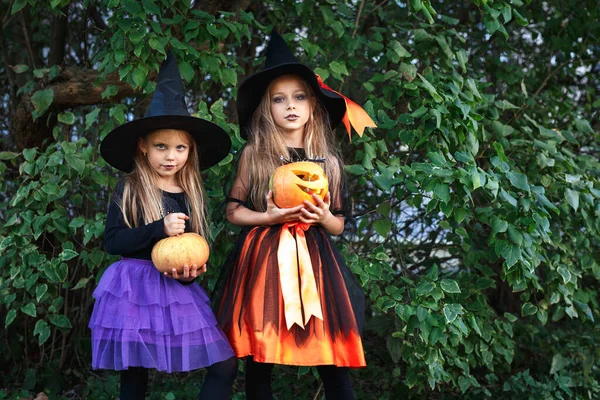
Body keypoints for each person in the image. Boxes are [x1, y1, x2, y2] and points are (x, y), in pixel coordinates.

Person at [214, 31, 376, 400]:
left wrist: (322, 217)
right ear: (266, 109)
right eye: (279, 99)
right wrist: (266, 217)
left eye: (299, 97)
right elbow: (232, 211)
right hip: (264, 260)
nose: (291, 105)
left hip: (316, 264)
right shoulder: (255, 154)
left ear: (312, 106)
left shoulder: (329, 162)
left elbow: (339, 224)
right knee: (260, 357)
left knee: (332, 355)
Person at [89, 51, 237, 400]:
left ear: (190, 150)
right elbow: (113, 241)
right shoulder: (129, 188)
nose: (171, 156)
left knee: (224, 364)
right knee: (135, 374)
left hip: (175, 291)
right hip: (134, 288)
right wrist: (158, 228)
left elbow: (192, 249)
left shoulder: (190, 193)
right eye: (161, 146)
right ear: (143, 146)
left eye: (180, 147)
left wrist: (191, 274)